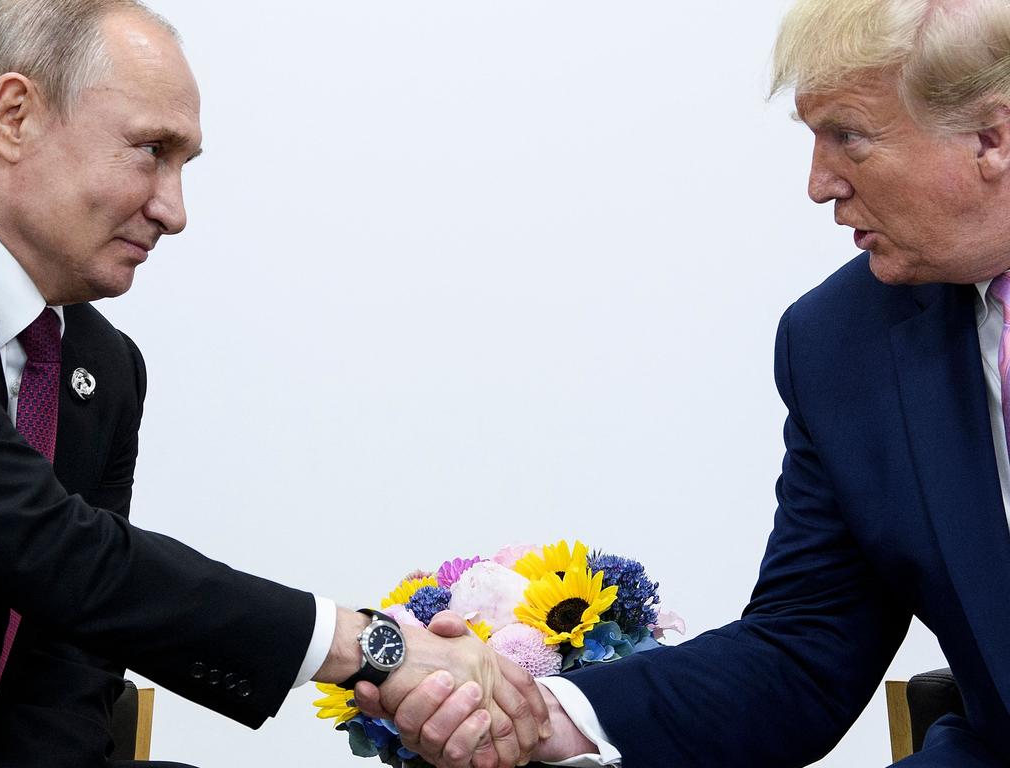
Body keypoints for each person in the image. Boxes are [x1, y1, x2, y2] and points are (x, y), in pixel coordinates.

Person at [365, 0, 1010, 765]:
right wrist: (543, 713)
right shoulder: (842, 343)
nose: (818, 184)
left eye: (849, 137)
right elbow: (804, 651)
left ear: (991, 139)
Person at [0, 1, 549, 766]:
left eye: (185, 165)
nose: (174, 211)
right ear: (14, 115)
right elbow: (51, 546)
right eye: (151, 150)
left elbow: (67, 662)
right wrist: (371, 646)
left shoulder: (103, 368)